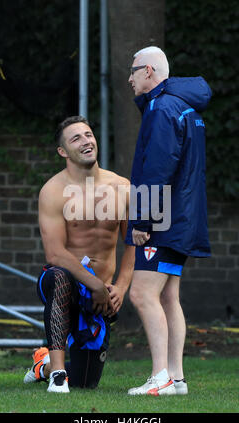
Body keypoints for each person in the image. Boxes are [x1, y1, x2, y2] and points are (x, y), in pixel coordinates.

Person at [24, 115, 135, 393]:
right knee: (59, 276)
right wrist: (94, 284)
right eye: (76, 138)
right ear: (63, 151)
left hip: (100, 297)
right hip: (66, 282)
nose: (86, 141)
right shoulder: (53, 191)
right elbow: (55, 253)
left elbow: (134, 244)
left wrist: (119, 288)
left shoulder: (122, 186)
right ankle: (58, 374)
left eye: (88, 135)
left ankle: (44, 363)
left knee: (86, 383)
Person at [125, 46, 212, 396]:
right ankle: (176, 379)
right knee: (168, 297)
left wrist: (143, 221)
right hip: (182, 219)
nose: (129, 78)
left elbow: (157, 170)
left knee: (142, 293)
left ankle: (160, 376)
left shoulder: (162, 108)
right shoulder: (185, 107)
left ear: (148, 71)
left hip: (164, 221)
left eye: (133, 71)